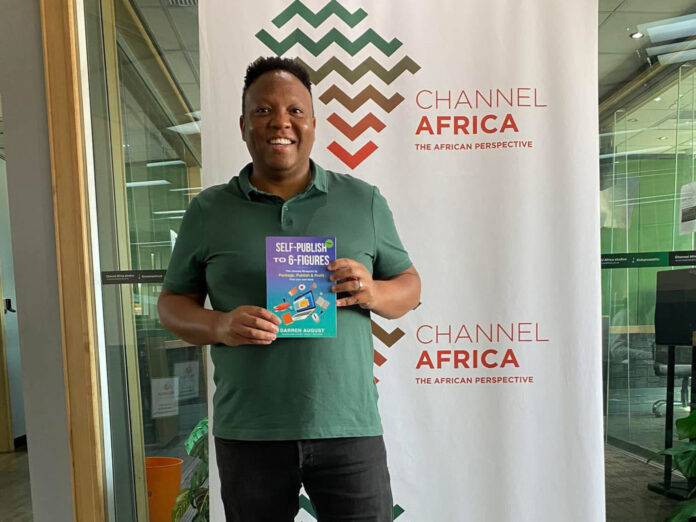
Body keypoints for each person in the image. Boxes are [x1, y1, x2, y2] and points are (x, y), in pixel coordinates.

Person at [157, 56, 421, 522]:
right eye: (263, 110)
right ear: (243, 125)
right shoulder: (208, 210)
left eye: (295, 110)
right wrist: (221, 324)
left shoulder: (363, 200)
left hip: (347, 427)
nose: (281, 122)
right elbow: (172, 304)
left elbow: (410, 287)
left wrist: (372, 292)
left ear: (313, 124)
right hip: (250, 430)